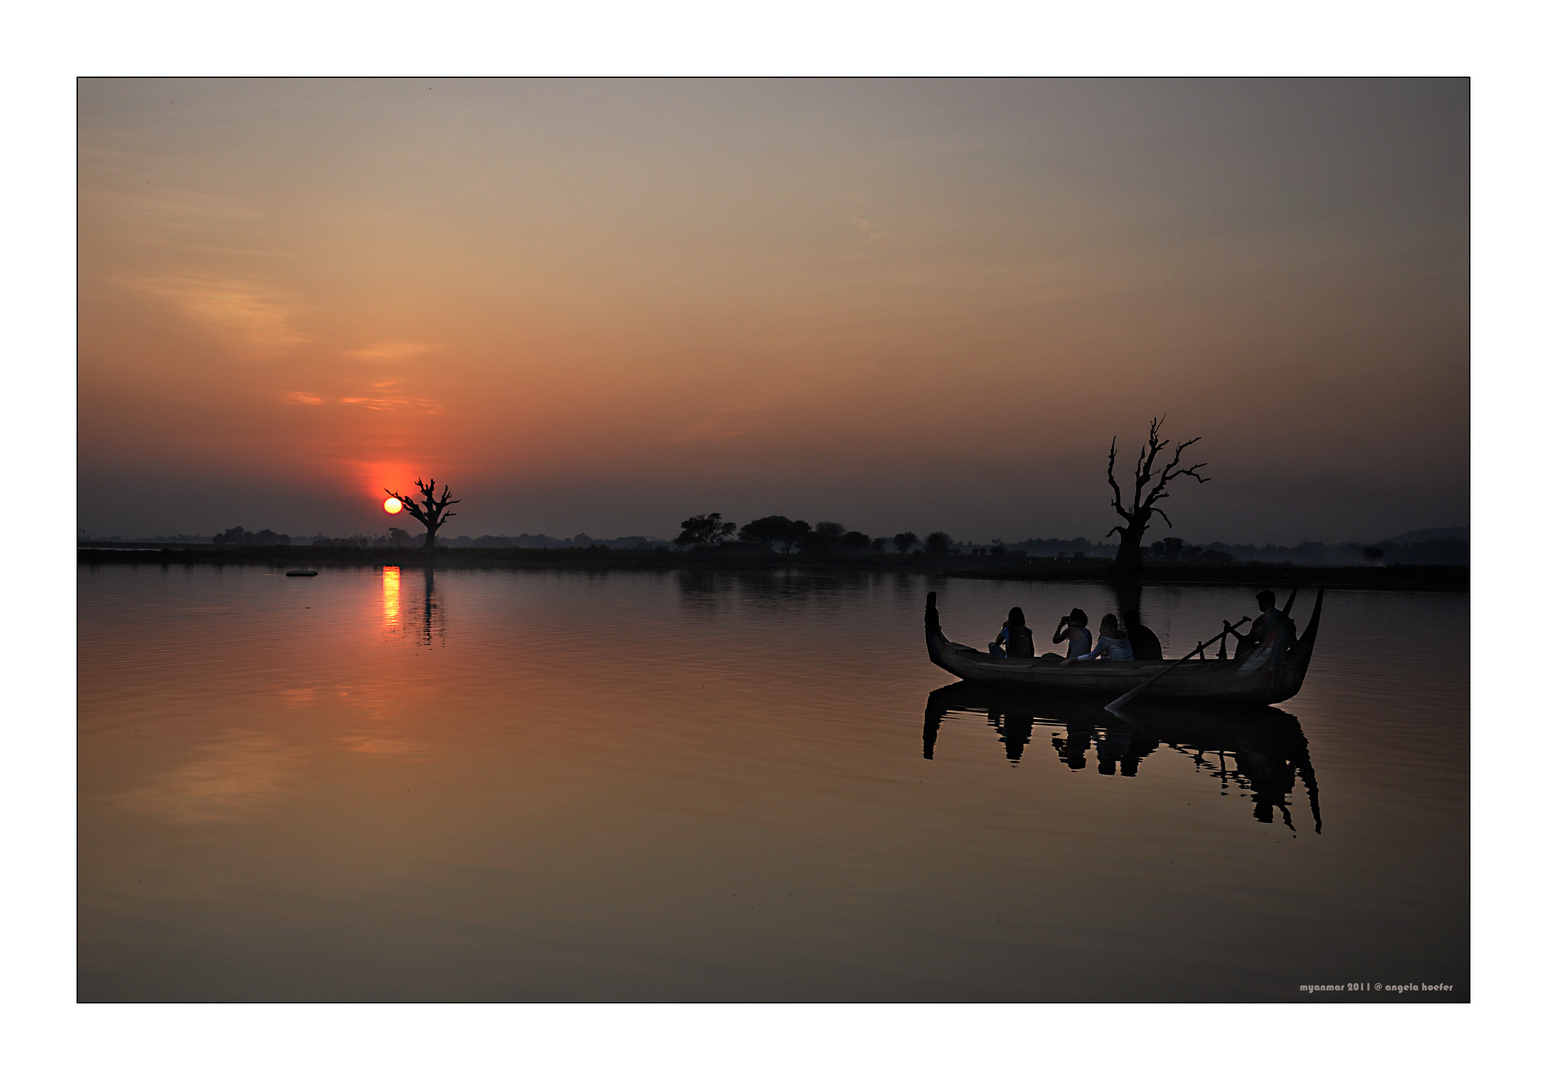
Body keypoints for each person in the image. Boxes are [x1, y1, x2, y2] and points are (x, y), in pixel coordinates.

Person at [1226, 590, 1285, 658]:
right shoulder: (1284, 617)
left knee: (1242, 643)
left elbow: (1249, 640)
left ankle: (1237, 665)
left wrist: (1231, 631)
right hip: (1279, 651)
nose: (1259, 605)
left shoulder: (1263, 619)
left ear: (1267, 602)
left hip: (1267, 654)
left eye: (1260, 602)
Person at [1063, 613, 1134, 663]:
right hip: (1130, 663)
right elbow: (1123, 655)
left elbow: (1091, 656)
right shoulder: (1124, 635)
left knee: (1098, 661)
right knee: (1102, 660)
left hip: (1117, 666)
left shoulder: (1105, 640)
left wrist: (1072, 660)